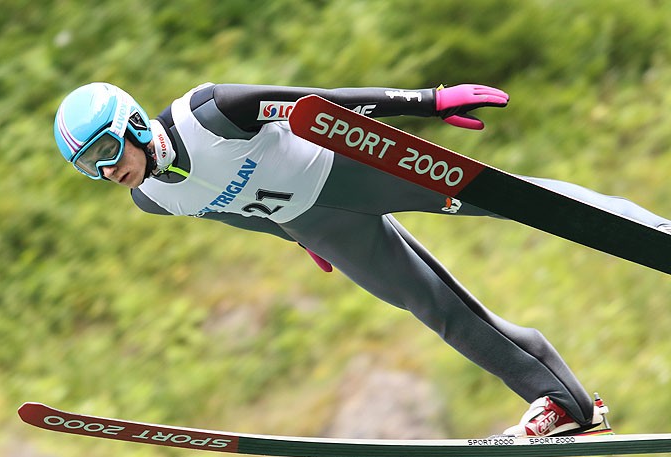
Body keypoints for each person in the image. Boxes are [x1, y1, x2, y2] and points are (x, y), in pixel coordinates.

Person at [53, 81, 671, 437]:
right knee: (434, 307)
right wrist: (299, 240)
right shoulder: (152, 199)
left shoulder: (210, 112)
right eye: (88, 168)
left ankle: (656, 232)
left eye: (106, 152)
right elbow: (231, 211)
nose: (106, 171)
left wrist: (428, 102)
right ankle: (563, 403)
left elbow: (318, 103)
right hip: (321, 224)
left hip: (350, 170)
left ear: (132, 124)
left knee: (513, 200)